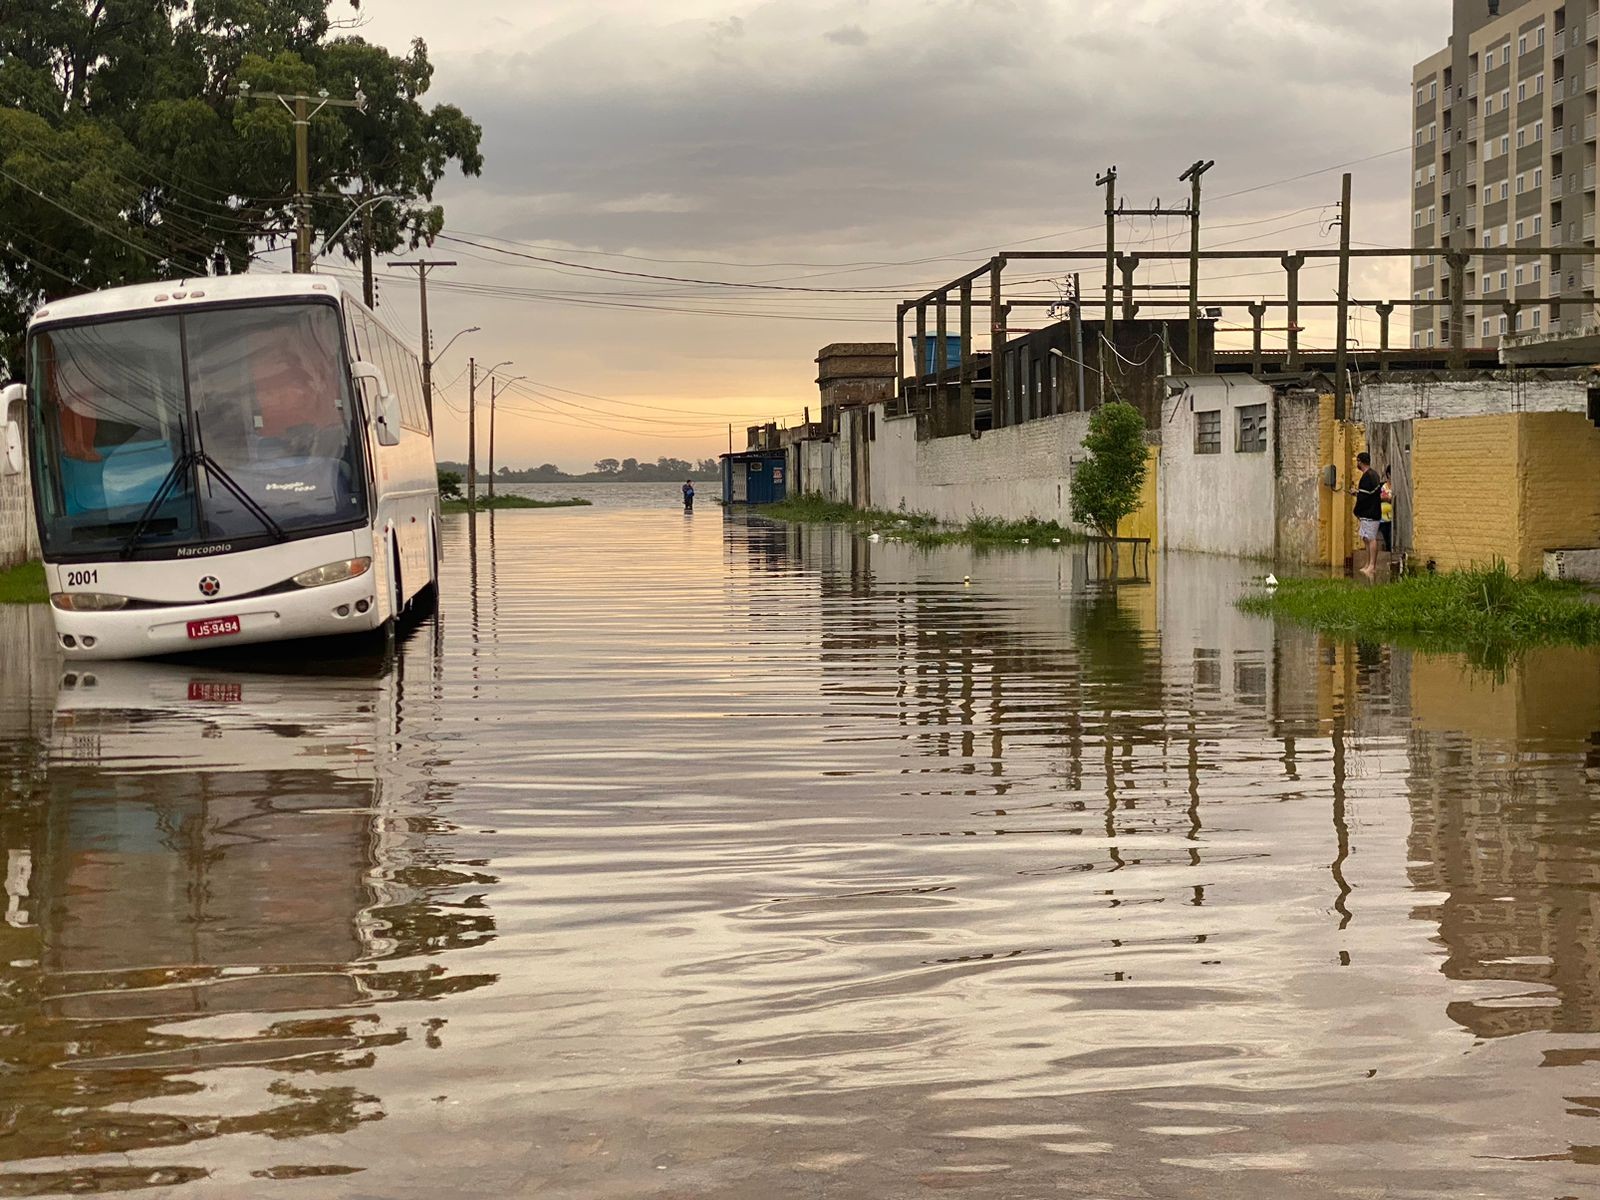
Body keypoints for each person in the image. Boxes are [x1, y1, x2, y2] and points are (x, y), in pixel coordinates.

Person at [1349, 451, 1383, 578]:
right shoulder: (1372, 475)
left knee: (1371, 538)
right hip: (1368, 513)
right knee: (1365, 538)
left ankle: (1372, 566)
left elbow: (1365, 498)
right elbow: (1367, 494)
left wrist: (1356, 510)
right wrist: (1357, 493)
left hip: (1371, 513)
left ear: (1360, 462)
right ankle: (1367, 563)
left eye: (1357, 461)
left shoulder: (1368, 477)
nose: (1357, 463)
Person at [1379, 467, 1395, 556]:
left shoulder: (1397, 486)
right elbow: (1380, 497)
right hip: (1384, 517)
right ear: (1388, 474)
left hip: (1395, 516)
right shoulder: (1383, 486)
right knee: (1387, 535)